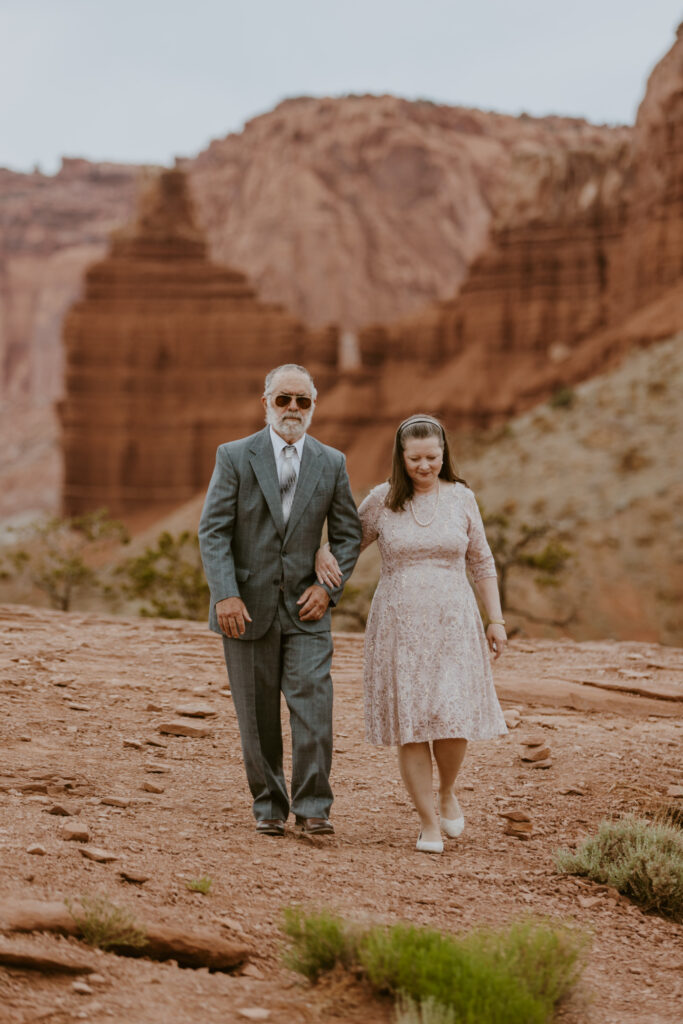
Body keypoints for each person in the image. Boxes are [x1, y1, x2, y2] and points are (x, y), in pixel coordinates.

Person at [316, 414, 507, 853]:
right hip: (399, 624)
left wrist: (495, 620)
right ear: (401, 458)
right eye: (415, 458)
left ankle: (446, 792)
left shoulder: (461, 497)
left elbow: (482, 562)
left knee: (451, 714)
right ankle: (428, 823)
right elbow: (348, 542)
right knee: (413, 723)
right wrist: (320, 552)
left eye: (433, 457)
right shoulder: (382, 500)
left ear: (444, 455)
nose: (425, 466)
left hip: (454, 622)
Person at [199, 364, 362, 837]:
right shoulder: (233, 455)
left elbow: (348, 535)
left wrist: (328, 588)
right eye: (283, 399)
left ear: (314, 407)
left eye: (303, 401)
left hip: (308, 609)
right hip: (245, 607)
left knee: (314, 706)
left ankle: (314, 807)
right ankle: (269, 805)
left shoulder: (331, 462)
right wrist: (225, 594)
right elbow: (213, 531)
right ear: (265, 403)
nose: (293, 409)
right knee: (257, 714)